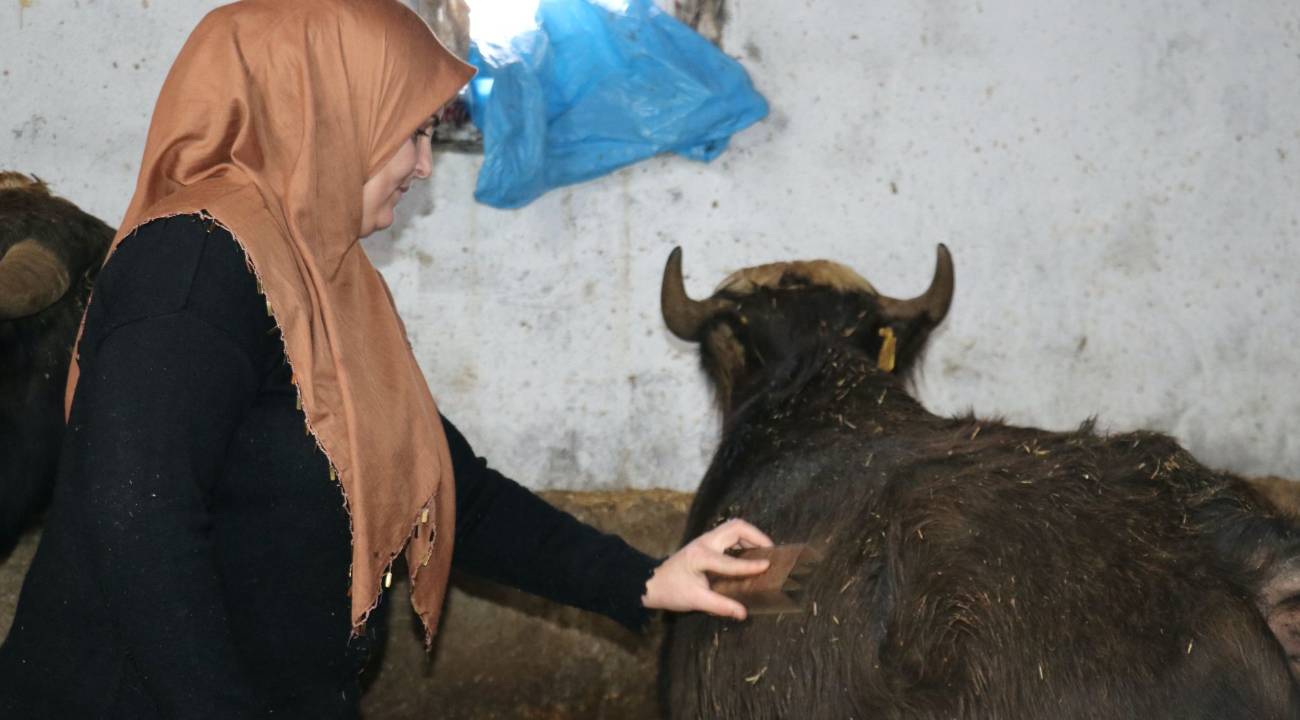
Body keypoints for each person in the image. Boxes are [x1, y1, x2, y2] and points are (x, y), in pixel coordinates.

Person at [0, 1, 771, 717]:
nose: (426, 164)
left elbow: (447, 484)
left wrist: (642, 577)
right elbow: (138, 524)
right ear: (327, 118)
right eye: (412, 132)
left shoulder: (321, 272)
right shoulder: (192, 266)